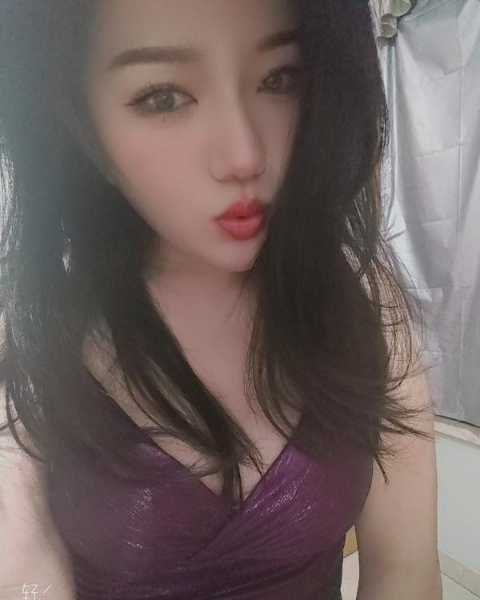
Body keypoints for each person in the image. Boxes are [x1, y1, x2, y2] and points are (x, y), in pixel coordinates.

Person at [0, 1, 443, 599]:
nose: (244, 156)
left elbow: (405, 571)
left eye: (280, 79)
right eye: (163, 97)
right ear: (84, 131)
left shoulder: (365, 303)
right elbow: (22, 574)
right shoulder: (34, 338)